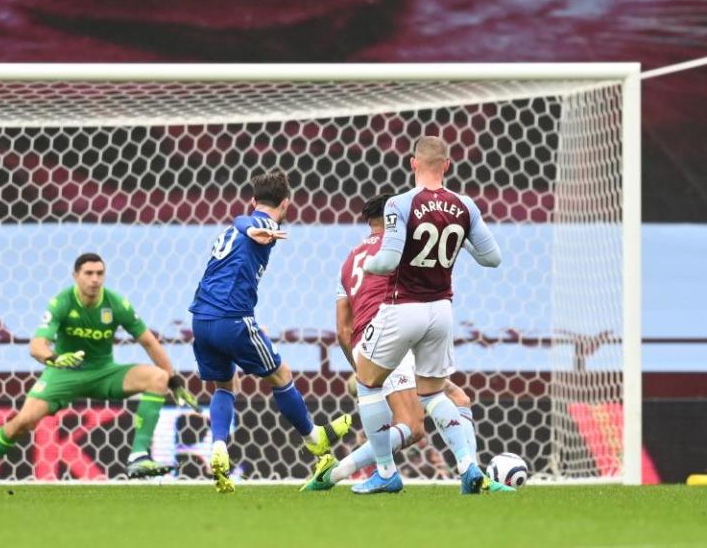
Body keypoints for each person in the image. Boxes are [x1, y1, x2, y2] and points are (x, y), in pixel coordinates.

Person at [0, 252, 197, 483]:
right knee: (24, 422)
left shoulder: (116, 303)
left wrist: (173, 380)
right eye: (89, 273)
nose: (95, 279)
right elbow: (36, 345)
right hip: (64, 373)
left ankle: (138, 456)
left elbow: (148, 342)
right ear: (76, 276)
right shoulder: (62, 302)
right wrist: (54, 359)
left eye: (100, 273)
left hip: (103, 373)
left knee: (157, 377)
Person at [301, 193, 479, 492]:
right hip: (391, 333)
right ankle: (336, 474)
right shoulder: (398, 246)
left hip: (365, 342)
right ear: (396, 218)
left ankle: (473, 472)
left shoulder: (348, 261)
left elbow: (343, 329)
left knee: (456, 399)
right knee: (413, 425)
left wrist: (362, 369)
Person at [189, 170, 352, 493]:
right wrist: (255, 225)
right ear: (287, 203)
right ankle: (314, 440)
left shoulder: (232, 231)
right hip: (232, 318)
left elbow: (240, 229)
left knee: (225, 384)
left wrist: (248, 224)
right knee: (281, 375)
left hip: (201, 319)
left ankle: (218, 446)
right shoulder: (258, 226)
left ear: (253, 200)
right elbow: (248, 225)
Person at [356, 136, 502, 495]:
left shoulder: (400, 203)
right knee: (434, 394)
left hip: (403, 306)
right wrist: (461, 239)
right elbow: (492, 258)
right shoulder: (465, 206)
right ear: (448, 165)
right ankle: (467, 464)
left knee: (368, 381)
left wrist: (370, 264)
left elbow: (388, 260)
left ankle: (387, 472)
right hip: (442, 311)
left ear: (412, 163)